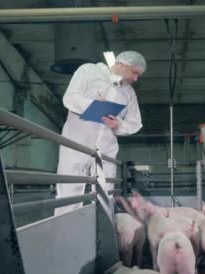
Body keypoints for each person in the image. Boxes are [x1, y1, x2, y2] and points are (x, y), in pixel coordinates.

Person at [54, 51, 146, 215]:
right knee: (69, 193)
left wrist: (119, 124)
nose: (136, 79)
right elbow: (70, 98)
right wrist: (94, 105)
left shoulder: (129, 93)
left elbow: (135, 123)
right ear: (122, 64)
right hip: (76, 143)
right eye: (135, 73)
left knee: (105, 195)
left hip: (106, 148)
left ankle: (102, 237)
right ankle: (66, 236)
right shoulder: (88, 71)